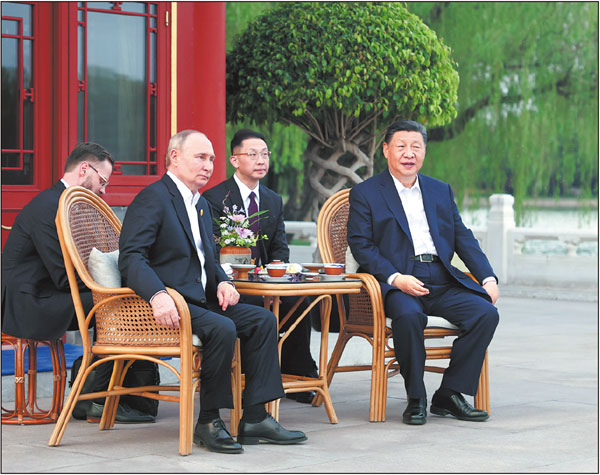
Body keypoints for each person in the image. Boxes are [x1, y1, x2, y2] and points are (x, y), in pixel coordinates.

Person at [118, 129, 307, 454]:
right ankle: (208, 421)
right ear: (175, 157)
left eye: (211, 159)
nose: (208, 165)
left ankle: (255, 417)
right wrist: (157, 295)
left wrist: (224, 281)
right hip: (173, 302)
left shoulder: (200, 204)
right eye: (200, 157)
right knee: (223, 327)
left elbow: (209, 259)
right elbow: (131, 257)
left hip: (203, 299)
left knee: (262, 320)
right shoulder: (154, 198)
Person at [347, 120, 499, 426]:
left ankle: (450, 394)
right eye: (401, 146)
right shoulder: (366, 193)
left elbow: (462, 237)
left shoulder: (439, 190)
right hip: (397, 280)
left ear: (424, 151)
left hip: (441, 277)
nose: (409, 153)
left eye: (416, 146)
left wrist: (487, 277)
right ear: (387, 150)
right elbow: (360, 245)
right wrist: (395, 278)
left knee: (485, 313)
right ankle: (416, 397)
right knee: (408, 317)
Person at [1, 143, 152, 423]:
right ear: (85, 169)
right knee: (122, 305)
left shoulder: (69, 203)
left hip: (51, 291)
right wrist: (112, 288)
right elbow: (62, 275)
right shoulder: (51, 205)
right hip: (29, 301)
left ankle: (102, 393)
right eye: (103, 181)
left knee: (128, 300)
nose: (104, 190)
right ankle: (97, 396)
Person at [203, 129, 318, 404]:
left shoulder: (273, 199)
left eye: (265, 154)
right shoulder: (215, 198)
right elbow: (214, 248)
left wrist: (276, 272)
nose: (260, 160)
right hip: (231, 283)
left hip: (265, 280)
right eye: (252, 154)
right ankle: (250, 377)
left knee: (301, 302)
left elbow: (279, 246)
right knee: (255, 307)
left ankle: (298, 374)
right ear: (234, 160)